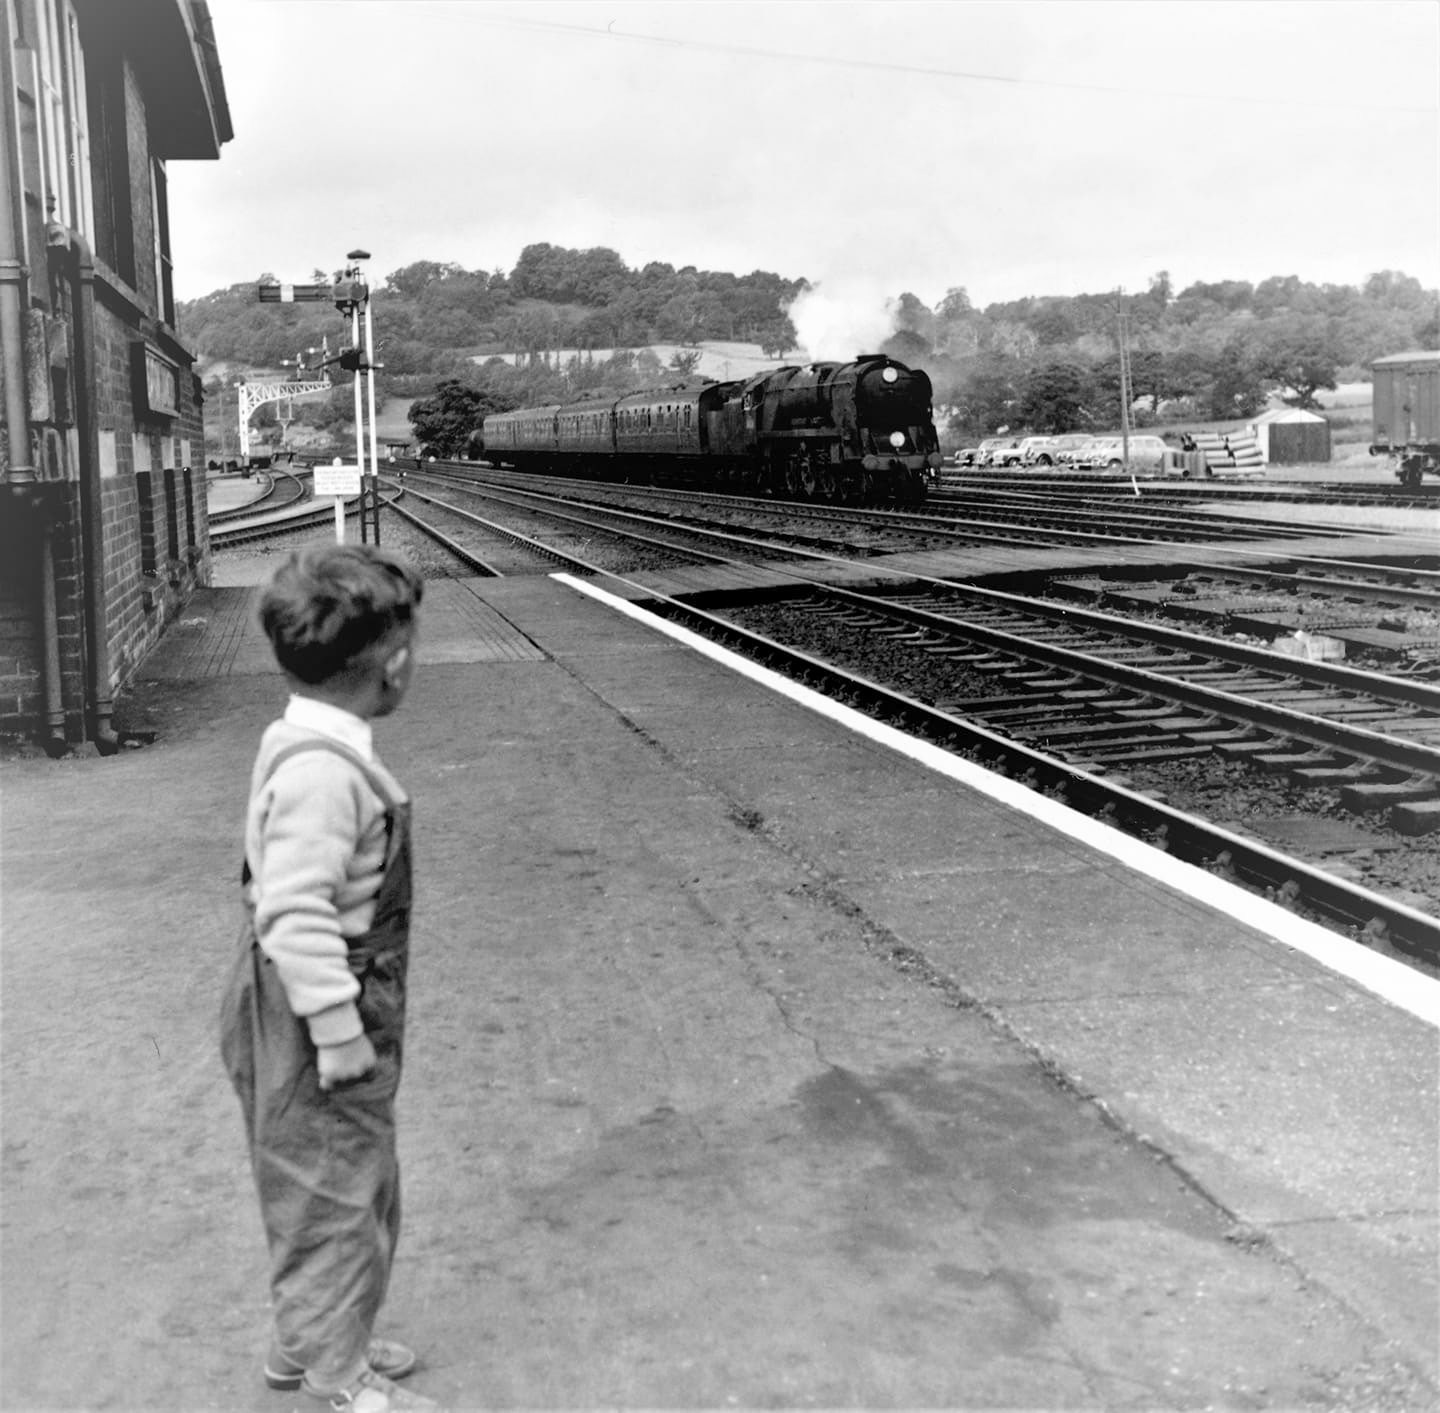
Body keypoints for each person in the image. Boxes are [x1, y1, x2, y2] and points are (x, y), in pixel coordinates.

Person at [219, 542, 443, 1413]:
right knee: (338, 1196)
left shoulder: (304, 735)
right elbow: (294, 912)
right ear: (392, 664)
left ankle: (308, 1340)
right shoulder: (323, 774)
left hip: (312, 998)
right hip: (321, 1011)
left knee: (335, 1184)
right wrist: (341, 1030)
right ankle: (338, 1377)